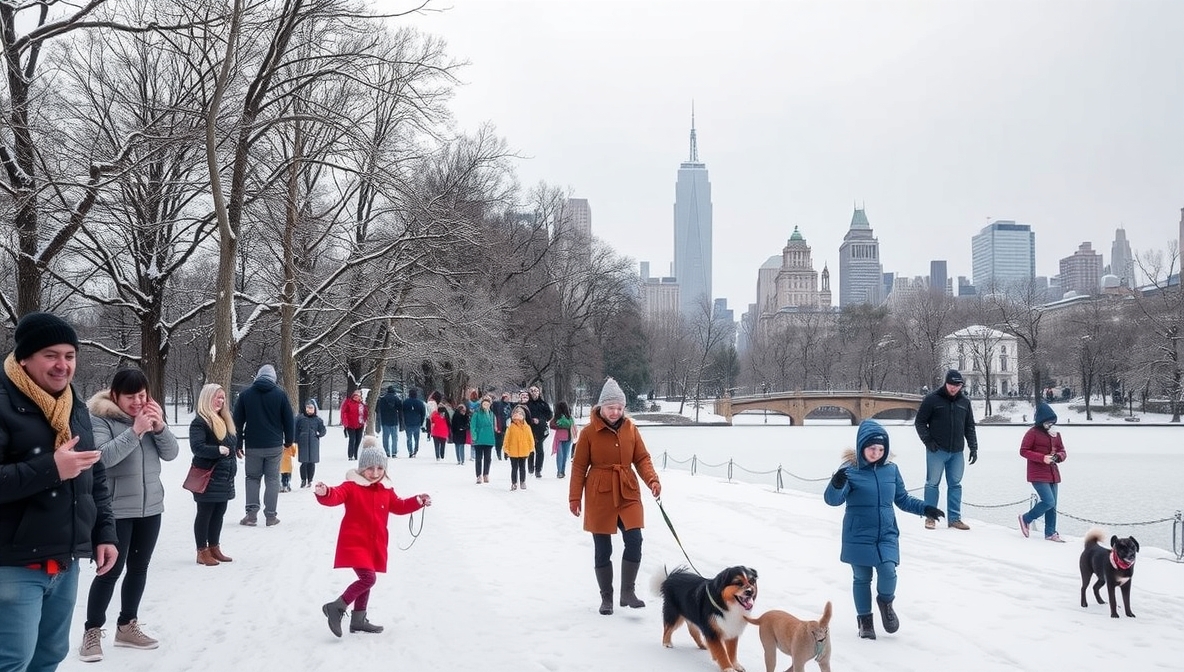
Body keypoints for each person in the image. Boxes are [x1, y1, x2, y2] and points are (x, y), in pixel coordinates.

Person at [0, 312, 118, 672]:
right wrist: (51, 469)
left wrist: (104, 533)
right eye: (50, 355)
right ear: (24, 358)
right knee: (12, 661)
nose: (62, 365)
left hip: (65, 562)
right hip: (13, 564)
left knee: (49, 657)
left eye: (69, 355)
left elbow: (94, 475)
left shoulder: (74, 406)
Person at [79, 368, 179, 661]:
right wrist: (135, 431)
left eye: (142, 395)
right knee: (109, 571)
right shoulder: (99, 418)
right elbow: (103, 458)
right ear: (115, 396)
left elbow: (172, 453)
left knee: (139, 568)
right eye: (130, 396)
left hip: (151, 507)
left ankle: (127, 625)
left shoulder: (149, 418)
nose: (137, 402)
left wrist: (159, 428)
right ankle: (92, 631)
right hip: (115, 510)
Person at [824, 419, 943, 640]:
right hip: (858, 534)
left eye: (881, 449)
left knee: (889, 571)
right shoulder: (849, 471)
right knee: (862, 578)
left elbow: (903, 499)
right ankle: (865, 622)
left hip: (886, 533)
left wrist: (925, 508)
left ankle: (886, 602)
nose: (876, 453)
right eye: (872, 448)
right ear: (861, 446)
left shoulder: (891, 470)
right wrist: (836, 484)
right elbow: (833, 500)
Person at [316, 438, 431, 638]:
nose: (375, 473)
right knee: (368, 578)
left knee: (366, 579)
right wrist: (325, 492)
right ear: (361, 468)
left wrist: (417, 501)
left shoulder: (386, 489)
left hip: (374, 543)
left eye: (380, 468)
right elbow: (336, 495)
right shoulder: (352, 486)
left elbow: (399, 506)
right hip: (355, 542)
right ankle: (337, 607)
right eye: (370, 468)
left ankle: (358, 620)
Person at [568, 377, 661, 616]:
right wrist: (574, 497)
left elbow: (642, 458)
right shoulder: (588, 433)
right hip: (600, 493)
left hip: (628, 490)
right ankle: (606, 597)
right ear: (601, 407)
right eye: (611, 407)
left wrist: (652, 480)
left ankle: (627, 592)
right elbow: (579, 467)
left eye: (620, 408)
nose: (616, 412)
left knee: (635, 540)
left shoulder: (631, 428)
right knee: (603, 548)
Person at [913, 369, 978, 530]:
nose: (953, 388)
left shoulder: (964, 402)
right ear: (946, 383)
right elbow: (920, 422)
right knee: (932, 484)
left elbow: (969, 426)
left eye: (957, 385)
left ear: (961, 386)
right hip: (936, 450)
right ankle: (930, 517)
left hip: (957, 451)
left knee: (955, 484)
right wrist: (928, 441)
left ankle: (954, 518)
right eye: (951, 384)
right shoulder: (932, 399)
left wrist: (973, 447)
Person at [232, 364, 296, 527]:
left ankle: (251, 515)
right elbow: (289, 420)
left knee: (252, 478)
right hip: (274, 445)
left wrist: (238, 443)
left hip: (253, 445)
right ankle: (271, 516)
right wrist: (289, 440)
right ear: (273, 378)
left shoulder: (245, 395)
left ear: (258, 376)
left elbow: (237, 422)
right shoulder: (280, 395)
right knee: (272, 479)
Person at [188, 383, 238, 566]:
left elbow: (230, 442)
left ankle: (214, 547)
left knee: (219, 513)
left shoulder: (224, 419)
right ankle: (202, 551)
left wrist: (235, 450)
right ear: (207, 398)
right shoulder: (200, 422)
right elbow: (197, 447)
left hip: (224, 476)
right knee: (205, 513)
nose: (221, 401)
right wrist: (218, 450)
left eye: (223, 397)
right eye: (217, 397)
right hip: (208, 477)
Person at [1018, 403, 1068, 542]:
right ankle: (1026, 518)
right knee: (1048, 501)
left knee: (1053, 504)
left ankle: (1050, 533)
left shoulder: (1055, 434)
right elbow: (1023, 451)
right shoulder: (1032, 433)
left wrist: (1058, 456)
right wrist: (1042, 458)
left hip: (1053, 473)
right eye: (1047, 422)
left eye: (1051, 422)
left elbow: (1062, 450)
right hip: (1037, 473)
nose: (1049, 424)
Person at [295, 399, 326, 488]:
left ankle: (310, 480)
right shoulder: (300, 419)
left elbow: (323, 430)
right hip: (303, 443)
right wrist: (296, 439)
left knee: (312, 462)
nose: (309, 410)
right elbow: (295, 430)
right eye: (307, 408)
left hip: (313, 443)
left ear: (314, 409)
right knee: (304, 462)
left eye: (311, 408)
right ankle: (303, 479)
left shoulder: (318, 420)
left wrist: (319, 434)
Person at [503, 405, 534, 490]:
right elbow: (506, 439)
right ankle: (514, 483)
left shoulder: (527, 427)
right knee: (514, 468)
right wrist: (506, 449)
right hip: (513, 451)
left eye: (520, 414)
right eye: (516, 413)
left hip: (524, 450)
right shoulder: (511, 427)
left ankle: (522, 481)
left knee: (522, 467)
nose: (518, 416)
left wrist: (531, 448)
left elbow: (530, 439)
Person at [526, 385, 553, 478]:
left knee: (540, 450)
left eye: (536, 391)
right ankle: (530, 468)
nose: (534, 392)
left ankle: (538, 470)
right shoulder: (526, 404)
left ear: (539, 392)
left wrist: (540, 420)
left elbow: (549, 415)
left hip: (540, 430)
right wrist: (531, 420)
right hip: (529, 429)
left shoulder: (543, 404)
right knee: (530, 449)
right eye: (532, 391)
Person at [470, 395, 496, 484]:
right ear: (481, 404)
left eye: (488, 404)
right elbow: (473, 425)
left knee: (488, 458)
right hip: (479, 438)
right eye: (484, 404)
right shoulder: (477, 413)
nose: (486, 406)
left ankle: (486, 474)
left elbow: (493, 426)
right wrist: (474, 436)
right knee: (478, 458)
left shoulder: (491, 414)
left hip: (489, 439)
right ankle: (478, 475)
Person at [375, 386, 402, 458]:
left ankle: (386, 451)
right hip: (394, 420)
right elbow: (400, 409)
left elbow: (378, 409)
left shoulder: (382, 399)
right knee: (394, 438)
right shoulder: (396, 399)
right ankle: (394, 452)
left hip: (385, 420)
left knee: (385, 437)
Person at [340, 389, 367, 461]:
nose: (357, 397)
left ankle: (356, 454)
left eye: (359, 396)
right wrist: (345, 423)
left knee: (358, 440)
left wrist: (365, 420)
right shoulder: (348, 403)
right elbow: (344, 413)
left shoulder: (362, 404)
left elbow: (365, 413)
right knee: (352, 439)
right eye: (356, 396)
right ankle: (350, 455)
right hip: (351, 424)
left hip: (360, 424)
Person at [550, 400, 575, 478]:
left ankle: (560, 471)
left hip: (560, 437)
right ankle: (561, 471)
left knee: (560, 455)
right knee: (564, 455)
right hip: (567, 437)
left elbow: (552, 425)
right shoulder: (569, 417)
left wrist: (559, 425)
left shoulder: (557, 417)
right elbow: (570, 424)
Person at [401, 388, 426, 458]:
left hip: (408, 423)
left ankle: (410, 451)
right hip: (417, 423)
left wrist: (403, 422)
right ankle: (415, 450)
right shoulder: (420, 403)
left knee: (409, 438)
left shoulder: (405, 402)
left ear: (409, 394)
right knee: (416, 438)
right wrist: (421, 422)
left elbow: (402, 412)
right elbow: (423, 413)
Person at [490, 391, 513, 460]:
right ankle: (499, 454)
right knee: (499, 441)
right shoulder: (497, 404)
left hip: (507, 424)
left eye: (508, 397)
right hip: (499, 424)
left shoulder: (510, 405)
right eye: (506, 397)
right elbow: (491, 407)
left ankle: (506, 454)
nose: (507, 398)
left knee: (507, 440)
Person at [449, 401, 470, 465]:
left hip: (456, 433)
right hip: (460, 433)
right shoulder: (462, 416)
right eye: (463, 410)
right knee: (460, 446)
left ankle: (459, 460)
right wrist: (464, 427)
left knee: (458, 446)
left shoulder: (455, 415)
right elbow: (466, 425)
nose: (464, 412)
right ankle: (462, 460)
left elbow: (452, 425)